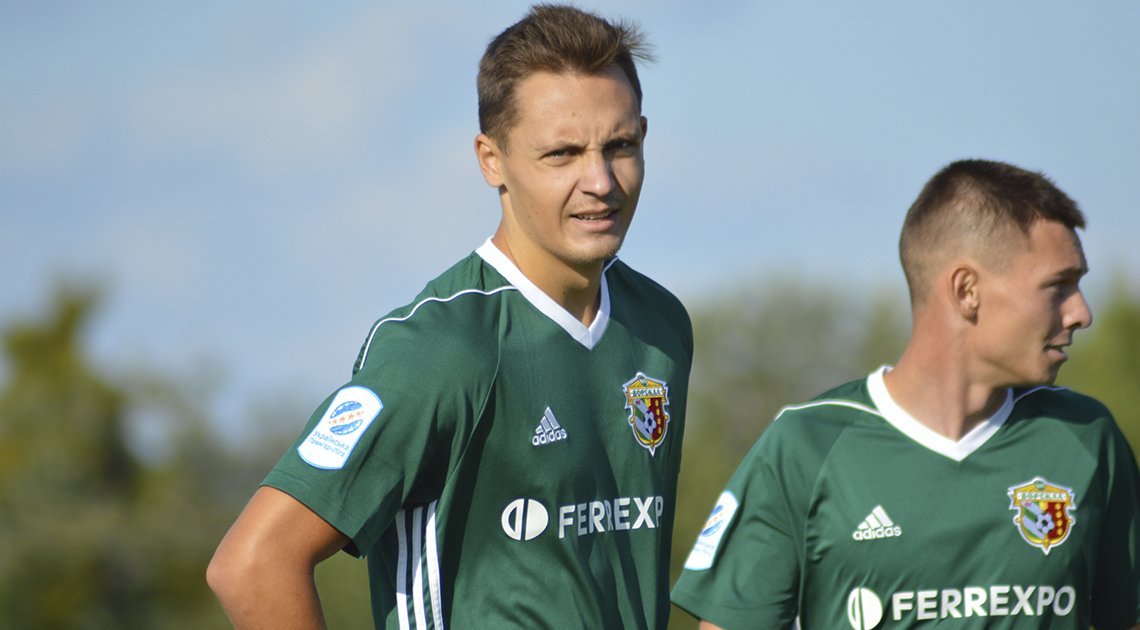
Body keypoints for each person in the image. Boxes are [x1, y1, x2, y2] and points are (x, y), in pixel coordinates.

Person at [207, 5, 691, 629]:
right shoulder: (440, 349)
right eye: (561, 154)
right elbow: (253, 564)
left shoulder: (660, 326)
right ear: (492, 160)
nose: (599, 180)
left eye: (619, 146)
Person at [670, 159, 1140, 629]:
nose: (1081, 313)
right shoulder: (805, 447)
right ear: (967, 290)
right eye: (1058, 287)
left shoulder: (1086, 438)